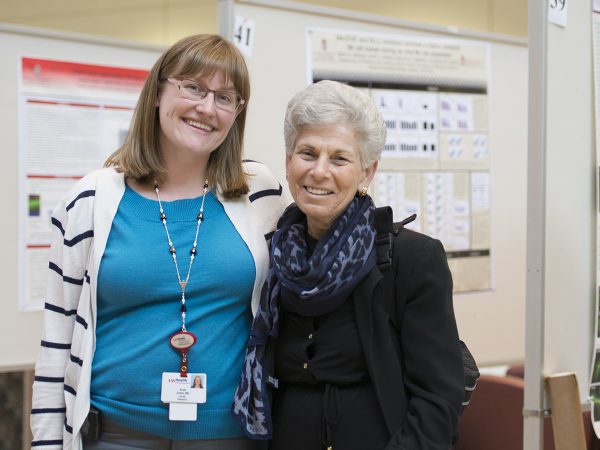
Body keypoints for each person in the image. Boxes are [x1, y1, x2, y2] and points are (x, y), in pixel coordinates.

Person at [31, 34, 288, 450]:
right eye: (193, 88)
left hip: (229, 435)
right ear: (158, 91)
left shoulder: (259, 192)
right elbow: (56, 341)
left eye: (226, 98)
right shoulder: (90, 201)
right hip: (114, 435)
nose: (207, 108)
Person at [233, 80, 465, 449]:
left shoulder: (411, 259)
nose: (320, 171)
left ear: (367, 172)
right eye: (307, 153)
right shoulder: (270, 251)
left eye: (339, 158)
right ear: (288, 160)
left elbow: (438, 399)